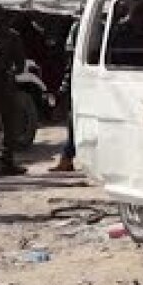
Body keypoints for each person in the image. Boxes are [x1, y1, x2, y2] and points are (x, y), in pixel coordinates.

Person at [0, 2, 28, 177]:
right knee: (7, 126)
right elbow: (20, 65)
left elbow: (20, 65)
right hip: (2, 85)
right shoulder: (12, 37)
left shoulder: (8, 37)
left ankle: (6, 164)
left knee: (2, 126)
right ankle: (5, 164)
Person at [50, 18, 80, 172]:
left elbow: (71, 66)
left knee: (73, 121)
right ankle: (67, 157)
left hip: (80, 83)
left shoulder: (79, 28)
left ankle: (67, 157)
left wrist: (63, 88)